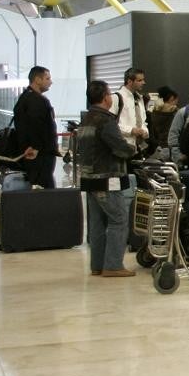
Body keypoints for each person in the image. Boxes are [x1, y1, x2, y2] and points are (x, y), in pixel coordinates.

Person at [75, 80, 138, 278]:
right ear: (105, 98)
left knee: (97, 223)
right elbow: (118, 146)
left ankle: (98, 265)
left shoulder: (85, 120)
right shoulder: (105, 120)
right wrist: (133, 149)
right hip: (108, 179)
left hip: (89, 178)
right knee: (118, 220)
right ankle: (113, 265)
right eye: (110, 94)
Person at [13, 66, 59, 188]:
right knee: (43, 189)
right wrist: (35, 147)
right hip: (39, 155)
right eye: (47, 78)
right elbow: (36, 126)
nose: (50, 82)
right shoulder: (36, 101)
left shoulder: (25, 97)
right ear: (37, 80)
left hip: (35, 153)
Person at [113, 67, 150, 157]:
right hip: (122, 148)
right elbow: (110, 125)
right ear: (129, 81)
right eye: (139, 80)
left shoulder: (139, 98)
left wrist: (145, 131)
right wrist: (131, 130)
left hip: (138, 148)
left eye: (143, 80)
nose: (143, 83)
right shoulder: (117, 97)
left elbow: (143, 120)